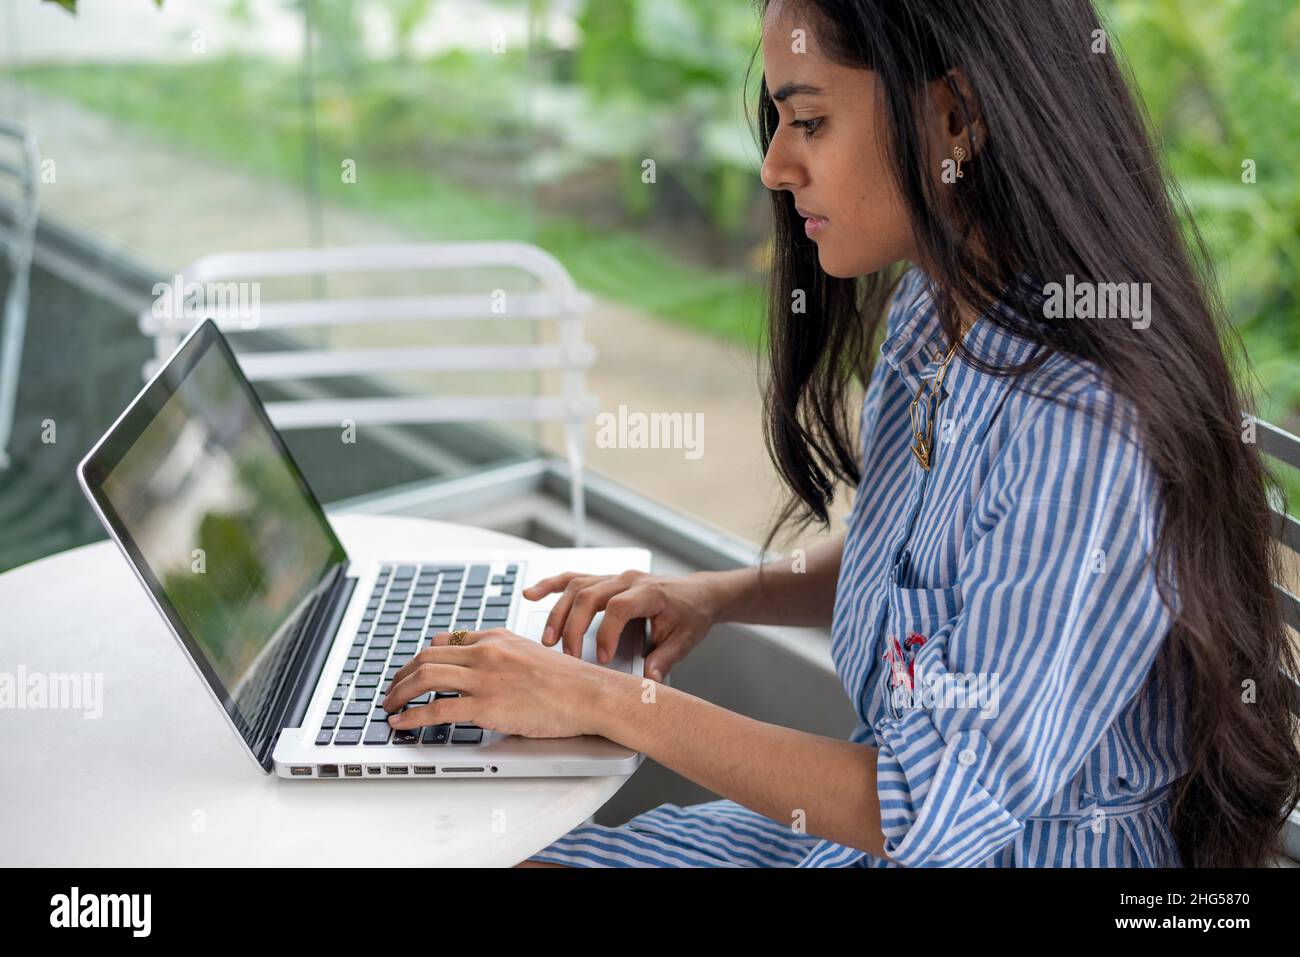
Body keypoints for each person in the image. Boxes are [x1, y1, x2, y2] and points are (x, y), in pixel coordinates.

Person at [385, 0, 1300, 867]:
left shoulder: (1079, 431)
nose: (774, 167)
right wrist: (712, 595)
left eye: (809, 121)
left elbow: (924, 809)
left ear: (955, 118)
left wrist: (604, 700)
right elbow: (924, 567)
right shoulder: (938, 316)